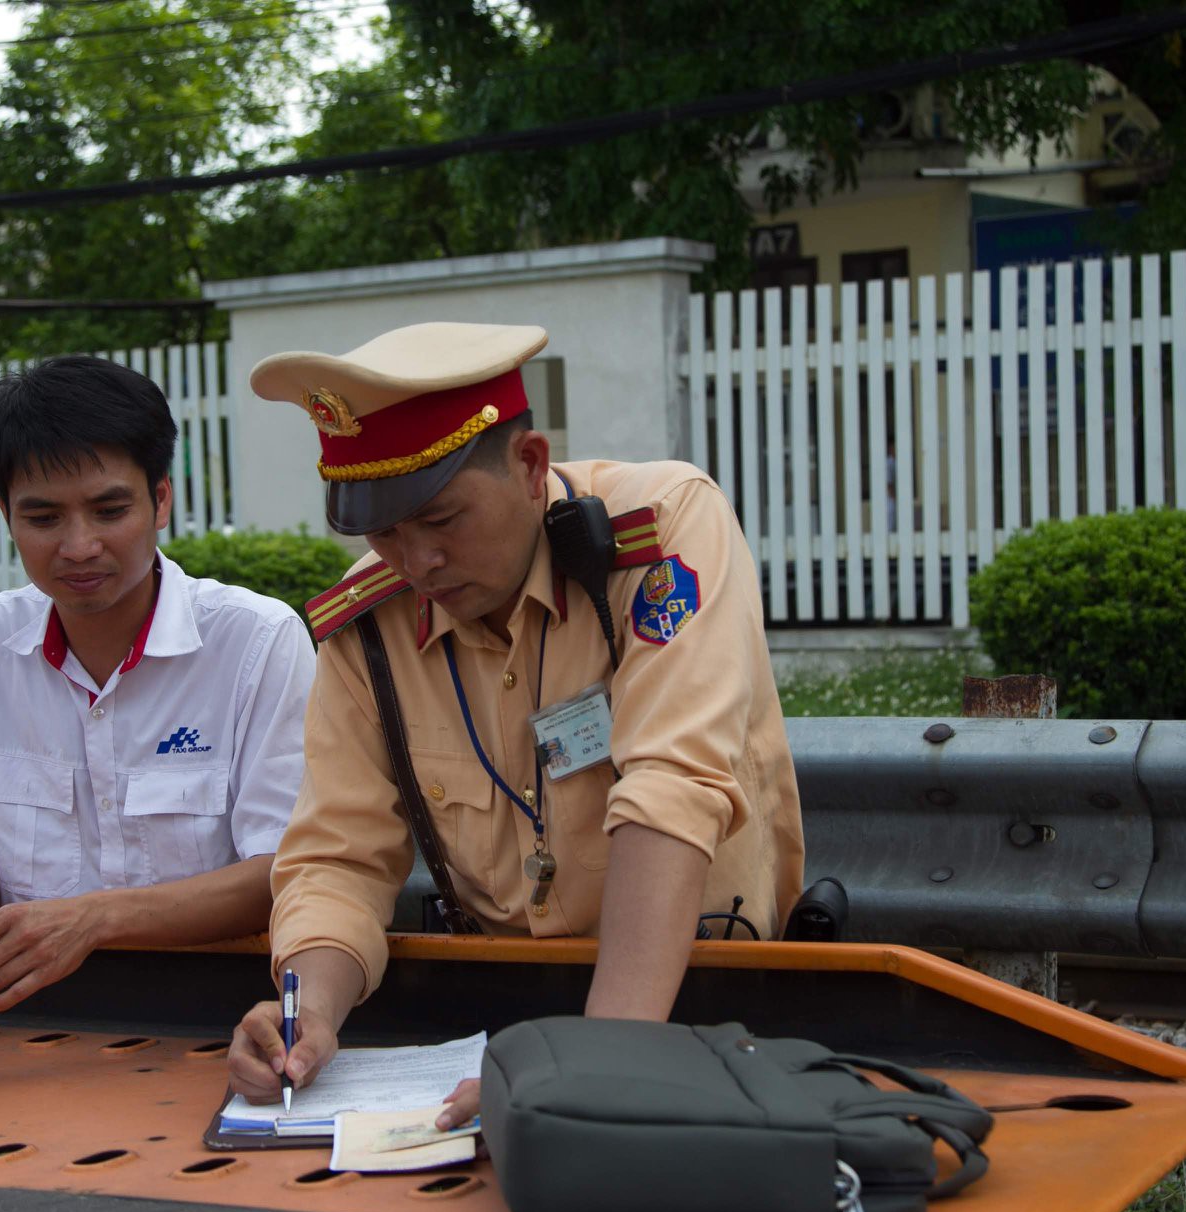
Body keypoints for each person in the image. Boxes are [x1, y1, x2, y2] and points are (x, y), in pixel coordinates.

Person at [225, 322, 803, 1127]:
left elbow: (671, 789)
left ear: (531, 467)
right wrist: (310, 1010)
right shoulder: (368, 626)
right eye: (385, 532)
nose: (416, 563)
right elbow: (337, 855)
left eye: (442, 520)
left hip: (700, 997)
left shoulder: (660, 536)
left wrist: (596, 1071)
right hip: (498, 1018)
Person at [0, 356, 314, 1013]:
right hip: (33, 1021)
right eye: (43, 519)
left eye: (108, 510)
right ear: (6, 515)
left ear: (161, 500)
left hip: (223, 1014)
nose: (78, 546)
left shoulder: (257, 641)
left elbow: (286, 872)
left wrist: (94, 919)